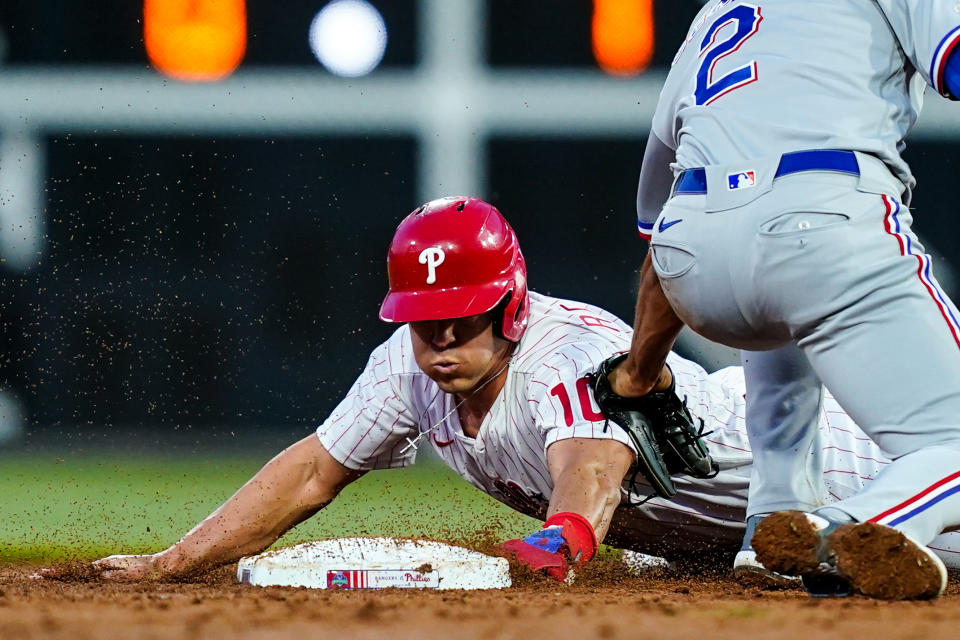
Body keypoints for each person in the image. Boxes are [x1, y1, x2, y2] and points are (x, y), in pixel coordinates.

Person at [67, 197, 960, 584]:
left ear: (512, 303)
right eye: (425, 320)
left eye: (462, 317)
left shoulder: (568, 351)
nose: (442, 338)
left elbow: (593, 466)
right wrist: (173, 563)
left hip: (838, 465)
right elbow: (309, 473)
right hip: (734, 536)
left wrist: (565, 536)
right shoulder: (405, 364)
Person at [607, 0, 960, 599]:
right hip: (819, 222)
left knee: (782, 311)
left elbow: (654, 210)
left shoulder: (717, 12)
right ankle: (848, 530)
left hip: (690, 252)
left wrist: (638, 372)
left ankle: (773, 521)